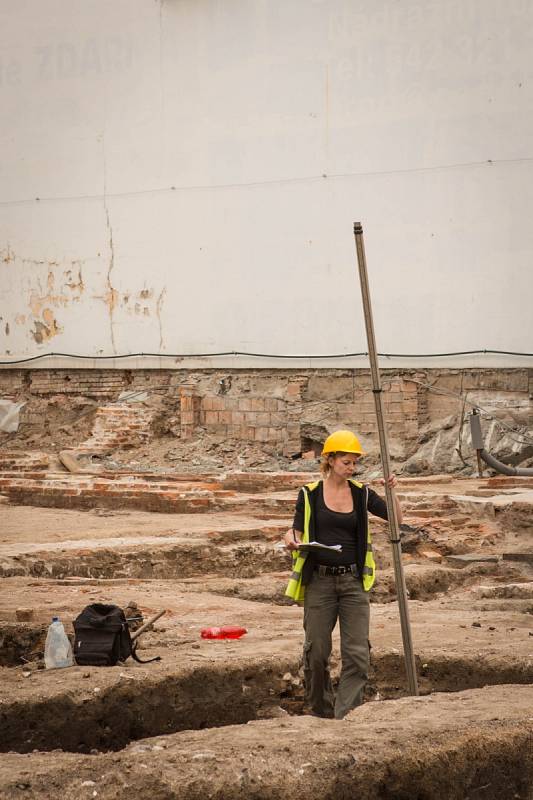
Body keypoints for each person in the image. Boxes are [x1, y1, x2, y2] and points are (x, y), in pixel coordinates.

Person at [284, 429, 403, 720]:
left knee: (357, 654)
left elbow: (396, 519)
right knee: (316, 653)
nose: (351, 468)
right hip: (320, 582)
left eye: (354, 463)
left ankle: (344, 716)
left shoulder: (362, 493)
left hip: (352, 582)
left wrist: (392, 492)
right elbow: (296, 530)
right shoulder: (309, 494)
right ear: (330, 460)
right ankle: (320, 711)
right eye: (346, 462)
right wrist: (290, 538)